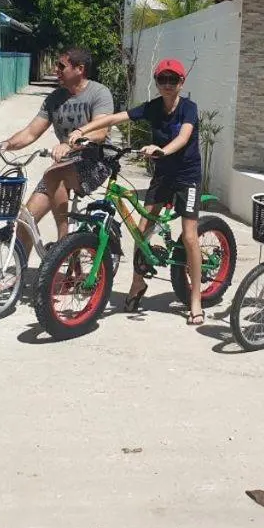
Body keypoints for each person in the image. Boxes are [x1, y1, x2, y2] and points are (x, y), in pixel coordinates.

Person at [71, 57, 205, 326]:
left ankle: (196, 298)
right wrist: (81, 129)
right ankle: (137, 284)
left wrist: (161, 150)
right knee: (141, 230)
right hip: (163, 175)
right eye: (162, 79)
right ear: (156, 81)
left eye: (173, 80)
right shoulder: (153, 107)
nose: (167, 85)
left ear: (182, 82)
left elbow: (183, 137)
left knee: (190, 236)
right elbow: (115, 117)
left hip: (187, 177)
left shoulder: (188, 108)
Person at [0, 46, 115, 255]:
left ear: (80, 69)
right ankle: (18, 275)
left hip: (97, 162)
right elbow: (31, 132)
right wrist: (5, 144)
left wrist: (69, 143)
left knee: (55, 174)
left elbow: (101, 131)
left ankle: (64, 245)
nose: (56, 70)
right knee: (25, 220)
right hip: (63, 165)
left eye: (61, 66)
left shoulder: (99, 93)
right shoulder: (55, 98)